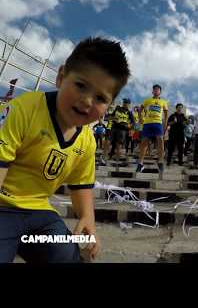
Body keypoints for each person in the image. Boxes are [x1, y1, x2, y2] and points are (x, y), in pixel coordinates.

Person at [0, 36, 130, 263]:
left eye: (100, 98)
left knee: (65, 254)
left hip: (40, 215)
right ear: (61, 77)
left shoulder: (87, 141)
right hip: (2, 208)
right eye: (81, 86)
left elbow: (81, 185)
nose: (87, 101)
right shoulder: (25, 108)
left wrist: (88, 218)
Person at [136, 84, 169, 173]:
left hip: (158, 123)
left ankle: (161, 161)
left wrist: (165, 125)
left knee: (160, 140)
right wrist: (140, 118)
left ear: (160, 92)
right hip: (147, 123)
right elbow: (140, 109)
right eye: (154, 89)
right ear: (152, 91)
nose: (156, 91)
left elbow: (166, 115)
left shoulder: (163, 102)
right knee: (144, 142)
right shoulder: (147, 100)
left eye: (158, 90)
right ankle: (140, 163)